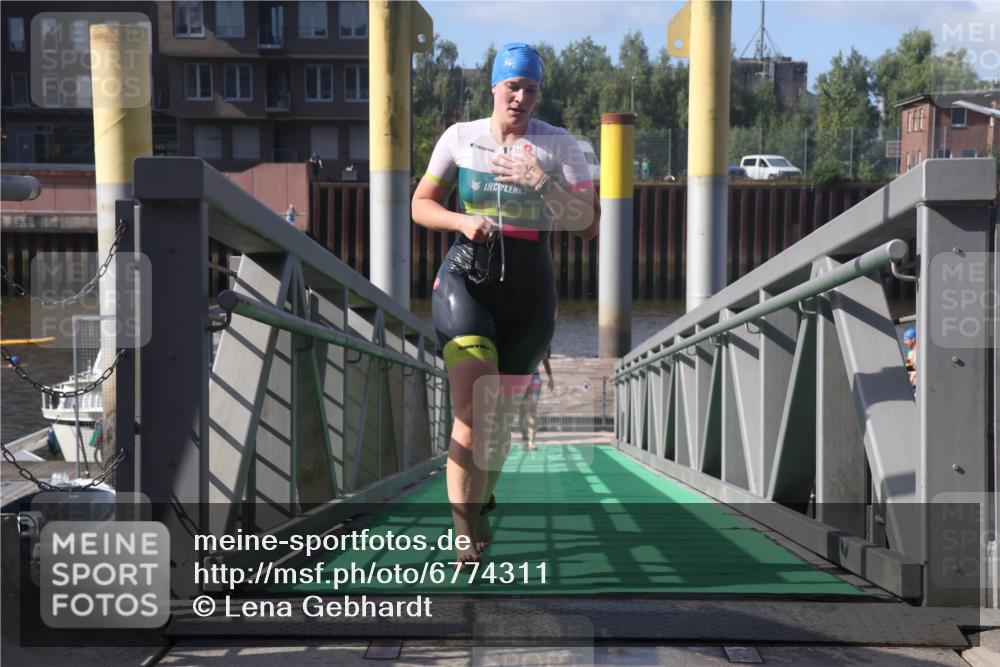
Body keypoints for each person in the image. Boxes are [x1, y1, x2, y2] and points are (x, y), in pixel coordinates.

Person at [411, 42, 599, 565]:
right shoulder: (460, 138)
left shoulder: (559, 145)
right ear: (494, 86)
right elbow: (421, 204)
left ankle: (481, 502)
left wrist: (541, 182)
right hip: (466, 277)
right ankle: (463, 533)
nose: (520, 97)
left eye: (530, 89)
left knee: (497, 423)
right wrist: (461, 221)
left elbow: (588, 223)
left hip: (529, 289)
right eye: (512, 86)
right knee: (471, 413)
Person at [519, 352, 554, 451]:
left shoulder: (537, 340)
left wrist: (550, 378)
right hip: (520, 379)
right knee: (522, 410)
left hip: (534, 377)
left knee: (532, 411)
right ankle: (524, 434)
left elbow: (545, 359)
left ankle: (532, 441)